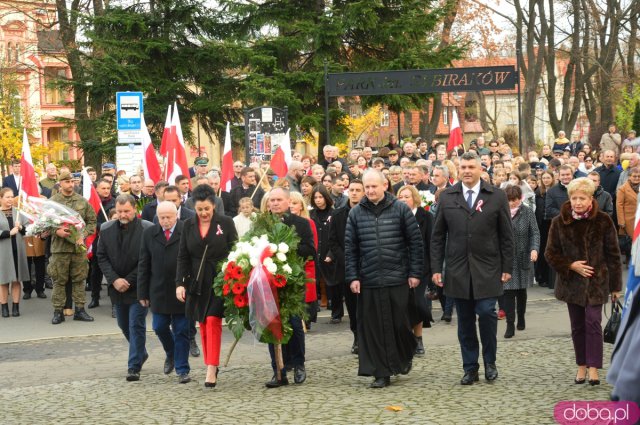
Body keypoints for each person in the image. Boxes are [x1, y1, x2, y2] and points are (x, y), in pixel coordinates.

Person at [431, 152, 514, 385]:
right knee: (465, 321)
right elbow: (437, 236)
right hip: (458, 269)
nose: (467, 171)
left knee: (487, 313)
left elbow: (506, 235)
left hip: (488, 268)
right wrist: (436, 267)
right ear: (458, 170)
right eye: (463, 167)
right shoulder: (447, 197)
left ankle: (490, 362)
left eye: (471, 167)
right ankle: (470, 367)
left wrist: (507, 266)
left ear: (480, 169)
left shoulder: (496, 196)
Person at [345, 170, 424, 388]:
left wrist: (415, 273)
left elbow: (415, 243)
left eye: (373, 186)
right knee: (375, 328)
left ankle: (404, 354)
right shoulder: (356, 213)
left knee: (399, 324)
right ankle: (381, 372)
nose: (370, 191)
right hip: (369, 279)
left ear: (384, 185)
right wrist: (353, 276)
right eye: (366, 187)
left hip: (397, 277)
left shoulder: (400, 209)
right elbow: (350, 248)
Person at [545, 177, 622, 385]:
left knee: (593, 323)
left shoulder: (603, 220)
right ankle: (581, 365)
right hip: (571, 284)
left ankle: (594, 367)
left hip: (597, 282)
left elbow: (614, 255)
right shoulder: (559, 221)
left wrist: (616, 287)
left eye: (582, 198)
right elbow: (550, 254)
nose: (577, 202)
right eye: (574, 198)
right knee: (577, 326)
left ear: (591, 198)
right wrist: (571, 265)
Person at [176, 185, 237, 388]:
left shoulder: (226, 222)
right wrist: (180, 284)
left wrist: (234, 277)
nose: (203, 213)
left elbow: (235, 250)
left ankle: (211, 367)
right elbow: (183, 256)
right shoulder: (187, 225)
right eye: (199, 209)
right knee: (202, 321)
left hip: (220, 278)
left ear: (214, 206)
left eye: (207, 209)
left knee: (212, 320)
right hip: (196, 279)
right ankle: (210, 362)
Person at [98, 194, 153, 381]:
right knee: (123, 324)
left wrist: (127, 280)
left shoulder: (147, 229)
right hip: (117, 286)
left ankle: (134, 366)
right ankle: (141, 352)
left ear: (135, 210)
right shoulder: (106, 229)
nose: (123, 215)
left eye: (127, 211)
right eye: (120, 211)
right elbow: (102, 256)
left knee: (135, 324)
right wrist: (114, 280)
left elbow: (147, 260)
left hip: (139, 286)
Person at [264, 187, 315, 388]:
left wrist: (285, 249)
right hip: (269, 282)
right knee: (272, 324)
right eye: (272, 200)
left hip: (293, 281)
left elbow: (310, 250)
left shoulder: (301, 224)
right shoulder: (262, 225)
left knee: (294, 323)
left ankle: (298, 364)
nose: (275, 203)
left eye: (279, 200)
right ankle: (278, 370)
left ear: (288, 202)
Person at [138, 201, 191, 383]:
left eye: (169, 217)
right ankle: (171, 353)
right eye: (162, 217)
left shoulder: (186, 230)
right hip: (158, 289)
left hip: (181, 289)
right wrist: (142, 293)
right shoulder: (149, 233)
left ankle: (183, 369)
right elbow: (143, 264)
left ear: (176, 215)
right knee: (159, 327)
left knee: (182, 329)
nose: (165, 221)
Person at [49, 172, 97, 324]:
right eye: (67, 181)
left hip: (78, 248)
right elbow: (43, 223)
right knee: (59, 280)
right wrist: (56, 231)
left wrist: (82, 234)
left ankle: (80, 310)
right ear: (60, 183)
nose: (71, 184)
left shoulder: (82, 201)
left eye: (72, 181)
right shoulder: (53, 202)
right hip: (60, 249)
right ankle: (58, 311)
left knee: (79, 280)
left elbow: (92, 221)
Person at [396, 185, 434, 356]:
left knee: (418, 303)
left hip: (421, 268)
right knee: (403, 306)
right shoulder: (395, 216)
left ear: (415, 198)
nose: (404, 199)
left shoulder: (426, 216)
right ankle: (407, 340)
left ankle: (418, 338)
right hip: (400, 267)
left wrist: (434, 269)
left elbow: (431, 244)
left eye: (407, 196)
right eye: (401, 197)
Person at [502, 185, 540, 338]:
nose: (512, 203)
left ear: (520, 199)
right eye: (509, 200)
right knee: (508, 292)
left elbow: (535, 233)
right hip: (506, 258)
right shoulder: (501, 212)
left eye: (514, 200)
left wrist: (534, 249)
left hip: (524, 255)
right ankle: (510, 324)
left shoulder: (527, 211)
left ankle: (521, 316)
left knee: (521, 291)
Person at [289, 191, 319, 329]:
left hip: (306, 264)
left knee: (307, 293)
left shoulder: (308, 223)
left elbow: (313, 246)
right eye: (289, 203)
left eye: (294, 203)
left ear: (301, 205)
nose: (291, 206)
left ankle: (306, 319)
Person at [309, 185, 336, 322]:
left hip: (329, 249)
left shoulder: (334, 213)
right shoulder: (311, 214)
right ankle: (317, 303)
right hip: (315, 250)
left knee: (330, 279)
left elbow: (337, 236)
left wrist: (331, 253)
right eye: (315, 197)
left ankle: (332, 303)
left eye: (320, 197)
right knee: (315, 277)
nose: (318, 200)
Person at [0, 188, 28, 317]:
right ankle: (4, 307)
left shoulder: (18, 213)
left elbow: (28, 230)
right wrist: (7, 233)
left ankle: (16, 306)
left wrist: (21, 227)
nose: (10, 199)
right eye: (7, 197)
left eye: (12, 197)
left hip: (18, 250)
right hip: (3, 252)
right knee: (3, 280)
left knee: (17, 280)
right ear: (1, 198)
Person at [534, 171, 555, 288]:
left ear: (552, 178)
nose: (546, 180)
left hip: (551, 224)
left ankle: (549, 277)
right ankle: (540, 276)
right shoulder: (538, 193)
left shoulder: (554, 191)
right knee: (541, 250)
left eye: (548, 177)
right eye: (544, 178)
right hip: (541, 225)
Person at [616, 167, 640, 263]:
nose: (637, 178)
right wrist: (621, 221)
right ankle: (630, 260)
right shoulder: (622, 189)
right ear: (629, 177)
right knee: (630, 241)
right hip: (628, 219)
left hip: (639, 218)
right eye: (634, 176)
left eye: (639, 176)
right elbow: (619, 205)